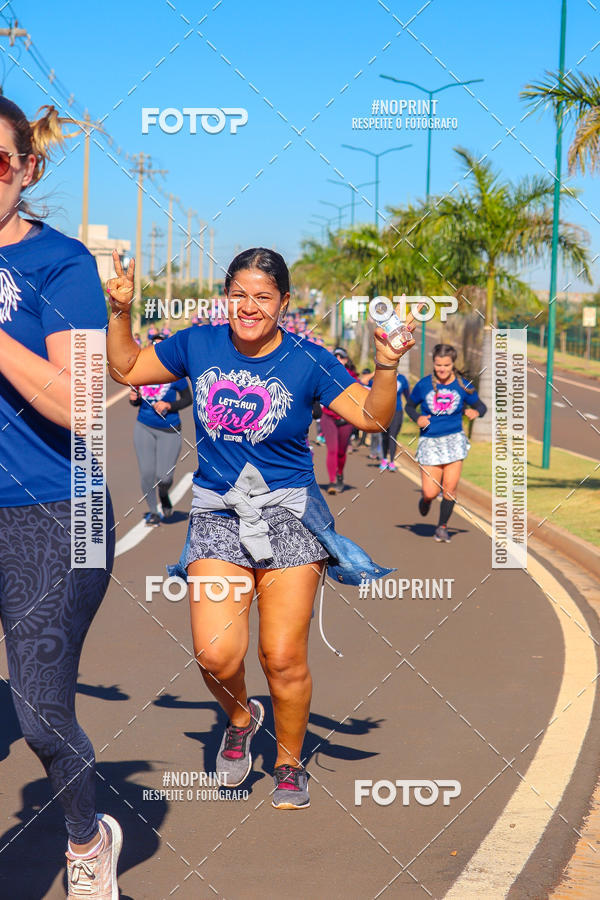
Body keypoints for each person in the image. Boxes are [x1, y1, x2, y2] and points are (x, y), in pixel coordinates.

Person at [106, 247, 417, 810]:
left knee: (282, 656)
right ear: (227, 297)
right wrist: (119, 311)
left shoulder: (309, 358)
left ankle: (290, 761)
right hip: (218, 513)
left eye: (263, 297)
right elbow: (127, 368)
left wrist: (388, 362)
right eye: (239, 295)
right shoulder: (197, 344)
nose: (249, 307)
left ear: (284, 302)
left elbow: (372, 417)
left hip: (289, 518)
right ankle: (241, 718)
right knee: (216, 655)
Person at [0, 98, 121, 897]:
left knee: (43, 714)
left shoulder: (60, 263)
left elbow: (81, 401)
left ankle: (87, 838)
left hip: (53, 509)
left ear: (27, 169)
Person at [405, 343, 487, 542]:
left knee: (449, 488)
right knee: (431, 491)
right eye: (438, 365)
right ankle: (426, 500)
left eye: (446, 365)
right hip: (430, 442)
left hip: (454, 440)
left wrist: (475, 412)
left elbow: (481, 407)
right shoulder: (424, 385)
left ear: (453, 365)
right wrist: (418, 418)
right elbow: (409, 406)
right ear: (434, 363)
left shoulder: (463, 386)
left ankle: (442, 527)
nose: (442, 369)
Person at [129, 333, 192, 525]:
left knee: (164, 478)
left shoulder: (175, 375)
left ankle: (164, 496)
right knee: (147, 473)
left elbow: (188, 399)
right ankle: (153, 511)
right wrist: (134, 399)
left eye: (160, 347)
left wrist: (168, 405)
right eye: (153, 346)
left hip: (170, 430)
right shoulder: (142, 372)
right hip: (144, 426)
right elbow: (136, 400)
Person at [320, 347, 358, 494]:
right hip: (328, 416)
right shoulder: (325, 374)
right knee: (332, 450)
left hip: (346, 419)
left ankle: (340, 474)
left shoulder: (353, 377)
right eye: (335, 357)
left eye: (341, 357)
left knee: (341, 452)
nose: (338, 360)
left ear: (346, 360)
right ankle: (331, 481)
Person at [379, 371, 410, 472]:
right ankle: (384, 458)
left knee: (393, 436)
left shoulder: (402, 379)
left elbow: (408, 396)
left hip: (397, 411)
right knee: (384, 436)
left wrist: (411, 409)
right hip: (384, 411)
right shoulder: (383, 376)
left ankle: (391, 461)